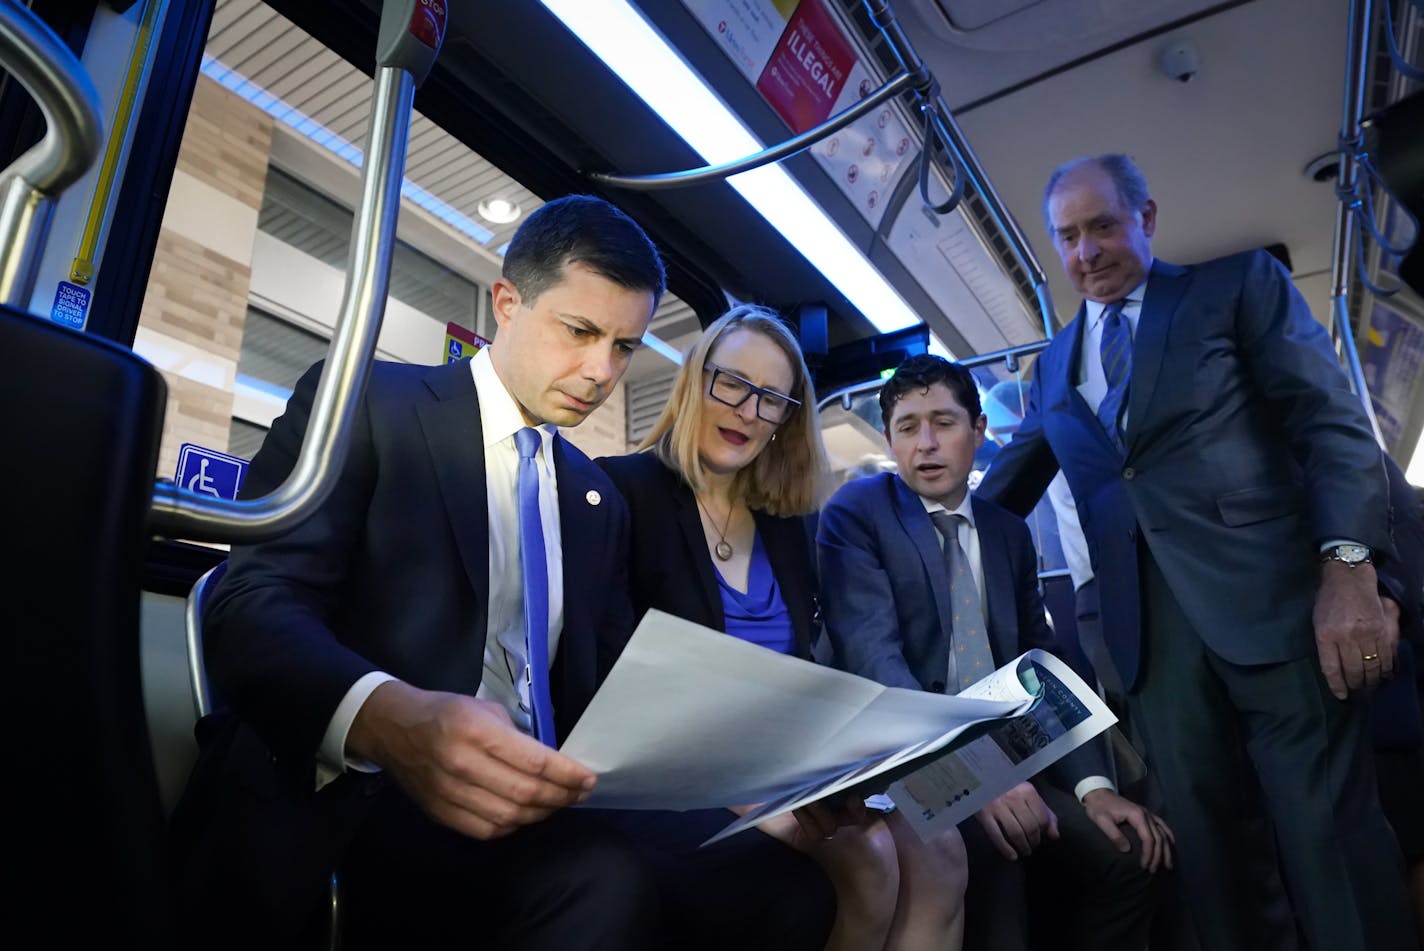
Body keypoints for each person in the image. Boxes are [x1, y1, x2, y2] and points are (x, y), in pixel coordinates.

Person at [171, 194, 696, 950]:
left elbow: (604, 683)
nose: (601, 370)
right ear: (508, 303)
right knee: (611, 884)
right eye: (580, 331)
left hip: (537, 801)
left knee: (772, 883)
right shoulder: (367, 403)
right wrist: (390, 720)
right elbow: (251, 605)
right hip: (357, 792)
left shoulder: (595, 499)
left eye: (624, 347)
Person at [975, 153, 1418, 950]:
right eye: (1067, 237)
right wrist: (885, 519)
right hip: (1153, 655)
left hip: (1280, 614)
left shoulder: (1235, 288)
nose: (1086, 253)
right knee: (1216, 873)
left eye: (1102, 225)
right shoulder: (1051, 369)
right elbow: (994, 500)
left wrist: (1350, 567)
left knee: (1329, 842)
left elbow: (1331, 424)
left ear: (1145, 218)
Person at [597, 304, 969, 951]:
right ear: (694, 378)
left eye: (772, 398)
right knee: (871, 863)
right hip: (689, 764)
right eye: (733, 382)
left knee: (941, 847)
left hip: (788, 759)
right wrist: (746, 798)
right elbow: (616, 686)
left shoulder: (789, 528)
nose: (748, 409)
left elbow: (804, 670)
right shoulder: (624, 493)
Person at [818, 354, 1173, 951]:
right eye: (907, 428)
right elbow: (876, 661)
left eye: (944, 423)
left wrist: (1095, 789)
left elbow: (1043, 667)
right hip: (907, 760)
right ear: (889, 439)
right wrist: (974, 776)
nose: (926, 445)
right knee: (1000, 861)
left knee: (1130, 854)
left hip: (1008, 754)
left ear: (979, 432)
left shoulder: (1008, 533)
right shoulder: (859, 515)